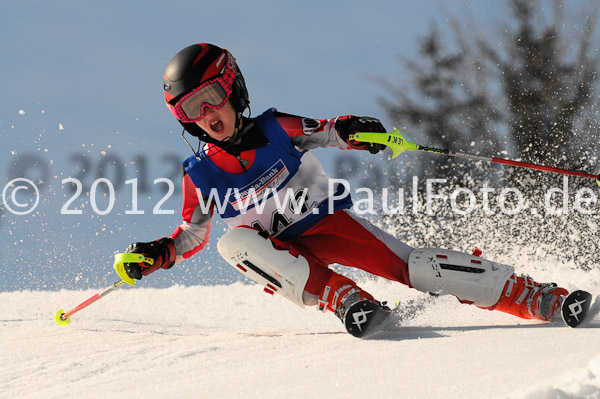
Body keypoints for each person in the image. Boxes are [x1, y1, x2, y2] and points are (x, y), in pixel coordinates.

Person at [122, 43, 568, 336]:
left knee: (414, 266)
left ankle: (531, 296)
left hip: (328, 224)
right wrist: (159, 252)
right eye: (189, 109)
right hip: (283, 257)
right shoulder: (201, 175)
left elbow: (329, 132)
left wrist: (357, 131)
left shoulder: (276, 129)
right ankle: (340, 295)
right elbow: (192, 234)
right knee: (231, 243)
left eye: (211, 97)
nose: (205, 115)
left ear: (233, 88)